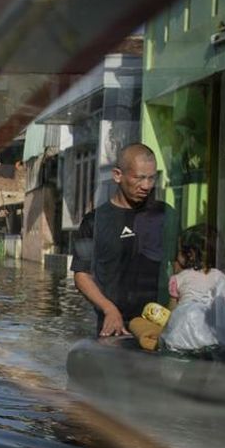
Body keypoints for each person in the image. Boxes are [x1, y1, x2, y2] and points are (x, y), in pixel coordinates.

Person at [72, 142, 176, 337]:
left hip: (158, 325)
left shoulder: (164, 215)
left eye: (151, 178)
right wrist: (108, 308)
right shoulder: (94, 221)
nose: (146, 186)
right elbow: (81, 275)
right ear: (118, 175)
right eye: (139, 178)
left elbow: (179, 266)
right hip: (114, 326)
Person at [159, 224, 225, 353]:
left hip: (181, 338)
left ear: (191, 254)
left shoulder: (179, 278)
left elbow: (171, 312)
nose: (176, 256)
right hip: (215, 340)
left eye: (179, 251)